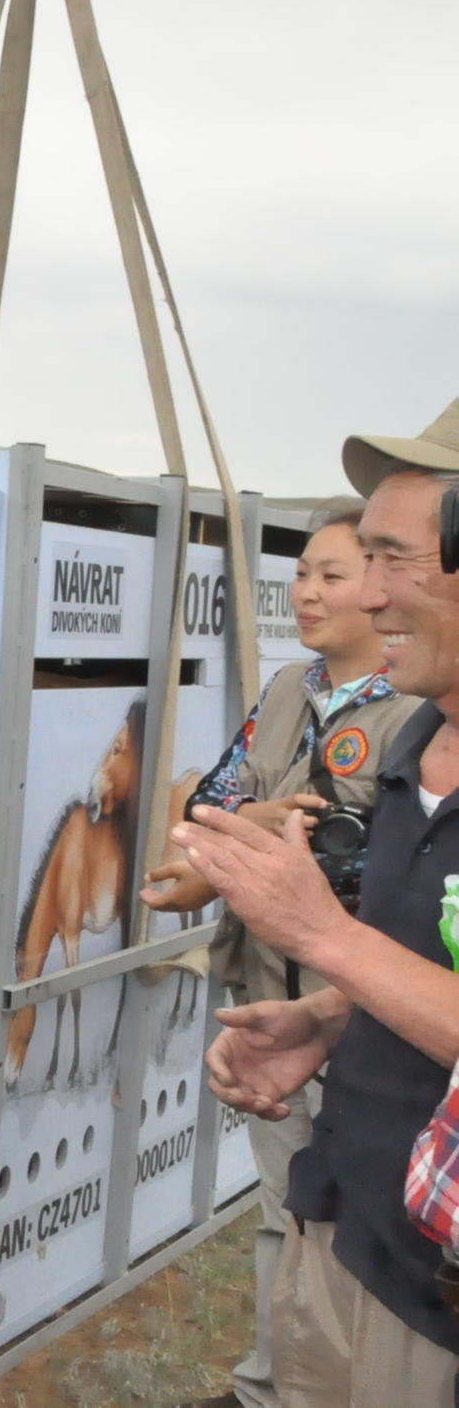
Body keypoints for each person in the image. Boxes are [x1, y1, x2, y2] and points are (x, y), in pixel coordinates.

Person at [180, 396, 459, 1408]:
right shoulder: (411, 745)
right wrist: (322, 1017)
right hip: (342, 1227)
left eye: (396, 560)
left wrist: (322, 940)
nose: (369, 599)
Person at [141, 504, 426, 1408]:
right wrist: (205, 860)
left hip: (380, 1003)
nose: (309, 592)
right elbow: (214, 808)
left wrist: (260, 835)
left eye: (334, 574)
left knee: (376, 1220)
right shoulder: (283, 693)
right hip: (274, 996)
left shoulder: (425, 708)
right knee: (288, 1204)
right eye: (302, 573)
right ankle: (268, 1385)